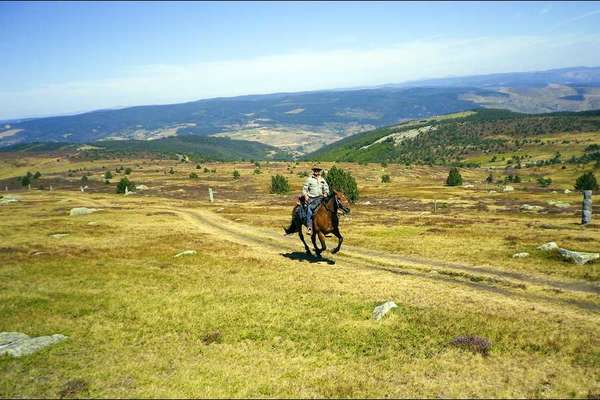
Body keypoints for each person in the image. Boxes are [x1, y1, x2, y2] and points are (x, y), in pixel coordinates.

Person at [302, 165, 330, 234]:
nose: (316, 171)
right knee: (309, 210)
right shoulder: (309, 179)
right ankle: (309, 227)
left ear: (319, 171)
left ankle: (328, 227)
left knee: (328, 209)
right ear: (313, 171)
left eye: (317, 170)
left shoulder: (322, 179)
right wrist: (305, 195)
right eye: (315, 170)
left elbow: (326, 188)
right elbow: (304, 189)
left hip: (320, 197)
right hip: (311, 198)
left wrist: (326, 193)